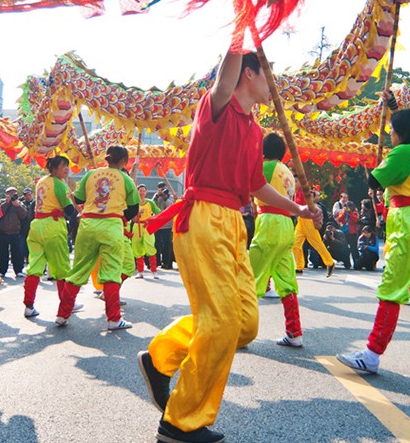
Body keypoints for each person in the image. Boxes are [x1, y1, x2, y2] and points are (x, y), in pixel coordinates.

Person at [137, 49, 321, 443]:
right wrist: (244, 15)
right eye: (268, 74)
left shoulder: (255, 130)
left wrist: (298, 209)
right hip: (202, 216)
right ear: (248, 74)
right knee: (220, 322)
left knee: (244, 325)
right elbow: (224, 80)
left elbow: (257, 185)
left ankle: (162, 356)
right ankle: (180, 422)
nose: (274, 86)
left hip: (235, 222)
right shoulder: (216, 106)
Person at [336, 105, 410, 376]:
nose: (390, 135)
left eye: (391, 131)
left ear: (400, 133)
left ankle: (371, 354)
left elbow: (375, 180)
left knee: (392, 286)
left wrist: (372, 168)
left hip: (407, 221)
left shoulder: (401, 152)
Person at [53, 145, 140, 330]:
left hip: (88, 224)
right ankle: (113, 319)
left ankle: (62, 315)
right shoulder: (126, 178)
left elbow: (77, 197)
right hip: (112, 226)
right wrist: (121, 215)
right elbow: (133, 208)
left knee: (78, 270)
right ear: (124, 161)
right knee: (112, 273)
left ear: (106, 159)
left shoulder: (91, 174)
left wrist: (87, 208)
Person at [247, 133, 307, 347]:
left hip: (269, 222)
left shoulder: (266, 167)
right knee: (286, 279)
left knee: (249, 277)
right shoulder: (287, 171)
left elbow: (247, 185)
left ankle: (241, 331)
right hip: (286, 225)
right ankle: (294, 332)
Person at [23, 155, 79, 318]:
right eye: (63, 166)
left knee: (34, 266)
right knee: (62, 268)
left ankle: (28, 305)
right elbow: (69, 210)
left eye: (67, 166)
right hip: (53, 226)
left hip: (37, 225)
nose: (66, 169)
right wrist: (72, 199)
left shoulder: (41, 181)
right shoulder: (60, 184)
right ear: (54, 168)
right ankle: (66, 305)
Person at [293, 187, 335, 276]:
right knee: (295, 244)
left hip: (309, 224)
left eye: (312, 196)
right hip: (300, 223)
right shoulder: (297, 192)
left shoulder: (315, 206)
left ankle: (330, 263)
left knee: (317, 244)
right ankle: (299, 267)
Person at [0, 188, 28, 278]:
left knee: (17, 252)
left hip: (15, 232)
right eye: (10, 194)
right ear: (6, 194)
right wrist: (6, 203)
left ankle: (18, 270)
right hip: (2, 232)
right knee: (2, 253)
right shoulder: (1, 202)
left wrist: (17, 206)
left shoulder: (19, 203)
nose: (12, 195)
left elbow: (24, 215)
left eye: (14, 194)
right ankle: (2, 271)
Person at [132, 184, 161, 279]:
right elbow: (131, 217)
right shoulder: (134, 203)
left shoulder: (150, 202)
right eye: (140, 190)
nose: (142, 192)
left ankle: (154, 270)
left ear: (146, 192)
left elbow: (158, 212)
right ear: (137, 192)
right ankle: (140, 271)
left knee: (150, 246)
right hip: (137, 226)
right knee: (137, 247)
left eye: (144, 190)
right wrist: (137, 216)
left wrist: (152, 219)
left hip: (147, 226)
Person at [152, 185, 175, 270]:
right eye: (161, 189)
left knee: (167, 245)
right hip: (157, 224)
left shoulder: (170, 197)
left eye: (164, 188)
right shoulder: (156, 196)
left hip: (167, 224)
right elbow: (152, 205)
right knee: (156, 244)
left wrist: (165, 198)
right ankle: (157, 261)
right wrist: (157, 196)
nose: (163, 190)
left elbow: (170, 207)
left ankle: (167, 263)